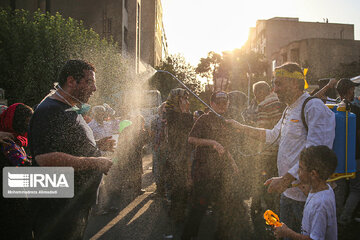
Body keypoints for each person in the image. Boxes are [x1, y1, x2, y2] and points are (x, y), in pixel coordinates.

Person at [227, 62, 335, 237]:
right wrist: (240, 127)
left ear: (294, 83)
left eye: (279, 83)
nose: (274, 89)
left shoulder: (313, 107)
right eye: (274, 84)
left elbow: (316, 153)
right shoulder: (289, 110)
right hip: (288, 194)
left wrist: (285, 180)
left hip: (307, 198)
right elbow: (272, 135)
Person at [29, 60, 113, 240]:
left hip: (72, 208)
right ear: (71, 81)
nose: (94, 88)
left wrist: (97, 145)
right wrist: (95, 162)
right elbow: (45, 158)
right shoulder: (50, 110)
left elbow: (66, 145)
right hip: (58, 212)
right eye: (89, 82)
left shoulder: (67, 108)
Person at [182, 91, 240, 240]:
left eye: (224, 102)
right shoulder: (203, 119)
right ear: (212, 104)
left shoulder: (226, 121)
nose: (222, 105)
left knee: (224, 208)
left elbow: (225, 147)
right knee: (198, 208)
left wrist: (233, 163)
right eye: (218, 102)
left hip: (222, 172)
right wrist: (212, 143)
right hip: (204, 172)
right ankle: (188, 236)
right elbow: (191, 139)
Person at [274, 145, 338, 240]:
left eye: (300, 168)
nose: (298, 172)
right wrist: (308, 194)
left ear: (313, 174)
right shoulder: (326, 189)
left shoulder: (320, 205)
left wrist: (287, 233)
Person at [0, 103, 33, 240]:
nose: (28, 125)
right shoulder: (6, 141)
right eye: (26, 121)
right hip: (9, 205)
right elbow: (21, 164)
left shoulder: (16, 139)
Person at [164, 88, 194, 222]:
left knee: (183, 187)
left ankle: (178, 213)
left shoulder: (176, 114)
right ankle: (177, 215)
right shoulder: (172, 114)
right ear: (177, 100)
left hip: (183, 154)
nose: (187, 101)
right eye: (184, 98)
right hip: (177, 156)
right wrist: (185, 111)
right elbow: (187, 125)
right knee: (180, 186)